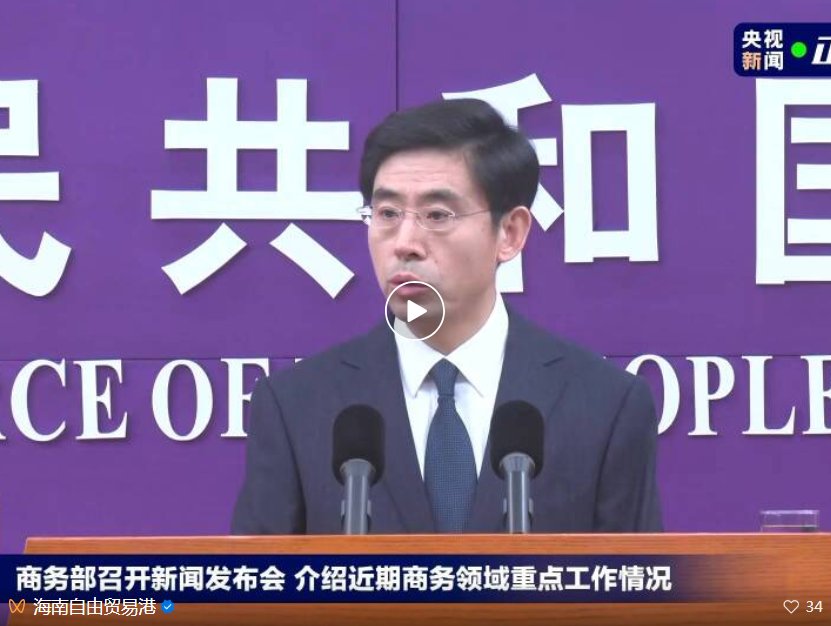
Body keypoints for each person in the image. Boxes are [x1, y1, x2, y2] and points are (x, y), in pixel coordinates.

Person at [232, 99, 662, 534]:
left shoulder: (605, 405)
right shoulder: (296, 406)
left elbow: (638, 576)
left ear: (510, 233)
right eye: (387, 214)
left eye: (437, 215)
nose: (405, 243)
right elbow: (256, 577)